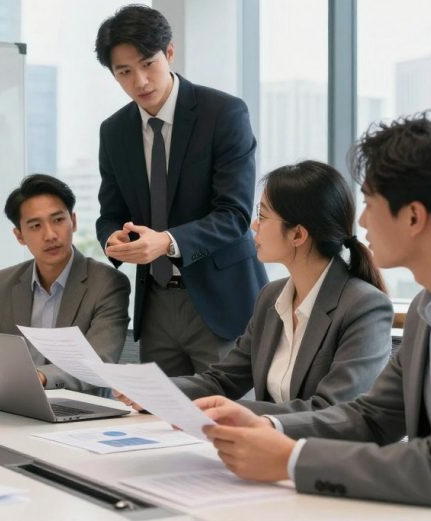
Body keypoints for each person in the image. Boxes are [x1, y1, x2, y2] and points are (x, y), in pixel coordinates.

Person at [200, 112, 431, 519]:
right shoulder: (427, 306)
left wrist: (292, 460)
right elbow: (372, 418)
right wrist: (270, 429)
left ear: (414, 216)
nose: (362, 221)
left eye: (369, 203)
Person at [124, 161, 391, 415]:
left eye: (262, 216)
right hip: (268, 453)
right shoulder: (271, 297)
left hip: (323, 458)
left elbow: (330, 410)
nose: (254, 225)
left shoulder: (364, 307)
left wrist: (230, 411)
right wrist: (156, 390)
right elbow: (223, 380)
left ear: (298, 234)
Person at [94, 4, 267, 377]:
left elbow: (234, 214)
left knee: (227, 425)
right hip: (155, 305)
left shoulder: (223, 113)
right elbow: (110, 212)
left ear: (169, 53)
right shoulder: (114, 131)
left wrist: (167, 242)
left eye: (148, 64)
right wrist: (114, 238)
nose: (140, 81)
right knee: (158, 424)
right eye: (124, 72)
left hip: (222, 303)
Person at [0, 174, 130, 392]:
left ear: (73, 222)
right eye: (35, 226)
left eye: (58, 220)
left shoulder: (107, 283)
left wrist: (39, 377)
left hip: (81, 410)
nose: (50, 235)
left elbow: (99, 363)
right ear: (19, 235)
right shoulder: (4, 283)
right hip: (13, 405)